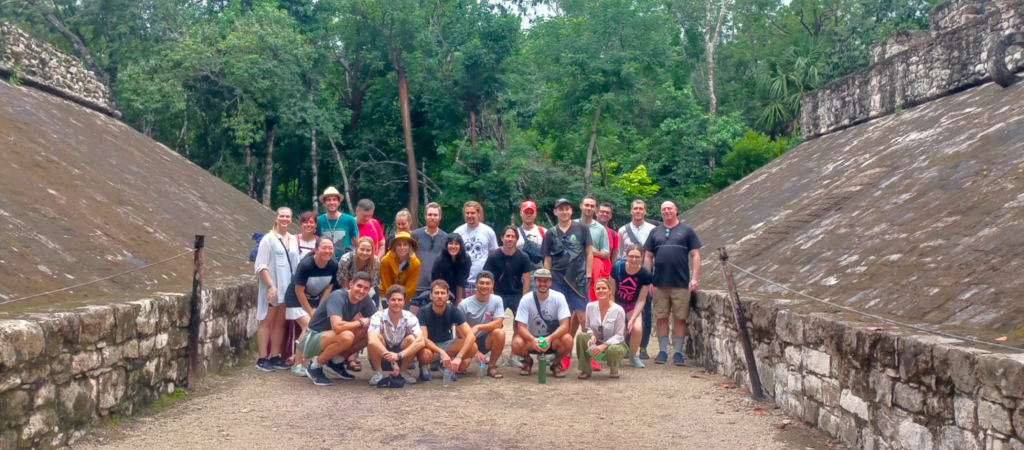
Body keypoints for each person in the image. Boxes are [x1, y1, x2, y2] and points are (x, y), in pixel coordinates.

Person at [644, 201, 702, 366]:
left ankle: (677, 353)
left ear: (676, 210)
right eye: (663, 209)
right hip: (659, 284)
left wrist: (694, 278)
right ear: (661, 212)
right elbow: (648, 257)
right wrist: (648, 280)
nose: (667, 211)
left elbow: (695, 255)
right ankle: (662, 352)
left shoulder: (687, 231)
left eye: (669, 208)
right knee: (661, 317)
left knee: (680, 318)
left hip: (681, 283)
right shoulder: (655, 232)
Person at [298, 272, 378, 385]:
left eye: (366, 288)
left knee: (369, 331)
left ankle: (335, 362)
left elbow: (378, 320)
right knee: (347, 336)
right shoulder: (338, 296)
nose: (362, 291)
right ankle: (315, 367)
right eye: (359, 286)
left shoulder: (364, 299)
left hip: (330, 338)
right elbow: (337, 326)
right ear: (351, 284)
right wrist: (360, 322)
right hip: (311, 340)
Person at [542, 198, 593, 372]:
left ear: (571, 211)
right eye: (560, 209)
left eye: (567, 209)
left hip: (579, 279)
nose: (564, 212)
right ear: (555, 212)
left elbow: (589, 252)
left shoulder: (582, 228)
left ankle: (590, 355)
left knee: (584, 320)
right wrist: (546, 279)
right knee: (559, 320)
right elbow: (547, 259)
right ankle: (562, 355)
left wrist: (588, 274)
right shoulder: (550, 233)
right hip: (557, 280)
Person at [283, 238, 340, 375]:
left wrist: (319, 309)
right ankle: (297, 365)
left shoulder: (333, 265)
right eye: (324, 248)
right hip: (296, 300)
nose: (327, 251)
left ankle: (306, 363)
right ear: (316, 249)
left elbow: (328, 288)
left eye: (330, 248)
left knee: (315, 328)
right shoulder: (306, 265)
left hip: (315, 301)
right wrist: (310, 311)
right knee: (309, 326)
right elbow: (298, 291)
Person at [253, 207, 294, 372]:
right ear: (276, 218)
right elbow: (261, 265)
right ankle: (262, 358)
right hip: (273, 287)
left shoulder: (292, 239)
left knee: (280, 323)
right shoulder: (268, 239)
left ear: (291, 219)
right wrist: (270, 285)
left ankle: (275, 355)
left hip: (287, 288)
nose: (285, 219)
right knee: (266, 321)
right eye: (282, 216)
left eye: (287, 216)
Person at [511, 269, 572, 378]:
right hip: (532, 340)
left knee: (568, 340)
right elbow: (521, 327)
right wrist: (533, 339)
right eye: (539, 280)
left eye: (546, 281)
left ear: (550, 282)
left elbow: (565, 326)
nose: (542, 284)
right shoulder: (526, 299)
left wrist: (549, 339)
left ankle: (556, 363)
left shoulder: (559, 297)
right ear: (534, 282)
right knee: (516, 343)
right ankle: (527, 361)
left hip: (552, 340)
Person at [416, 280, 478, 381]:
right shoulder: (423, 311)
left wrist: (459, 357)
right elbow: (424, 339)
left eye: (443, 293)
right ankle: (424, 367)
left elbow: (471, 335)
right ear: (431, 296)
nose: (440, 296)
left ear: (447, 296)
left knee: (473, 347)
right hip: (429, 347)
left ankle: (444, 365)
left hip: (446, 344)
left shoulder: (453, 310)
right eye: (436, 293)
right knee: (424, 354)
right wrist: (440, 352)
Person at [618, 199, 657, 360]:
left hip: (645, 273)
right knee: (624, 308)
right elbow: (621, 253)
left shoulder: (653, 230)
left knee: (645, 310)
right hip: (627, 274)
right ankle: (626, 344)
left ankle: (643, 346)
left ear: (645, 211)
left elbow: (653, 253)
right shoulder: (623, 231)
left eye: (641, 209)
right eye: (635, 208)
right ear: (631, 211)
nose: (638, 211)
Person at [367, 285, 425, 386]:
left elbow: (421, 341)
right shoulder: (377, 316)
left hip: (401, 356)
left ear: (404, 302)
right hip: (381, 355)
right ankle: (378, 372)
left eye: (400, 300)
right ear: (387, 301)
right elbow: (371, 340)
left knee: (412, 339)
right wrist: (392, 359)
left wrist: (398, 356)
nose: (397, 303)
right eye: (393, 300)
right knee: (377, 338)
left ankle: (402, 371)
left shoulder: (410, 317)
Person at [457, 271, 506, 379]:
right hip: (467, 340)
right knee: (462, 367)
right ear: (476, 283)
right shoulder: (464, 304)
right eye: (481, 283)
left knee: (500, 333)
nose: (484, 286)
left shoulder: (497, 300)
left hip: (484, 339)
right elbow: (459, 331)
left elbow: (499, 323)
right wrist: (475, 351)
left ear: (493, 284)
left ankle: (492, 366)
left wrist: (478, 326)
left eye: (488, 283)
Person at [576, 278, 628, 379]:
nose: (601, 291)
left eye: (604, 288)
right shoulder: (590, 306)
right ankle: (585, 369)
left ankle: (614, 368)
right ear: (594, 291)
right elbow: (588, 327)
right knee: (581, 336)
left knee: (613, 349)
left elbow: (619, 335)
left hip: (615, 345)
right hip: (597, 343)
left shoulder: (618, 310)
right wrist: (591, 335)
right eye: (598, 288)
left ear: (610, 291)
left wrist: (604, 346)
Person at [610, 245, 651, 368]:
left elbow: (641, 300)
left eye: (637, 257)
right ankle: (616, 355)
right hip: (616, 303)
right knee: (618, 328)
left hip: (633, 304)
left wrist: (632, 319)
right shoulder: (617, 268)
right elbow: (611, 293)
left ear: (642, 257)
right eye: (631, 256)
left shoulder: (646, 274)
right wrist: (617, 314)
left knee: (637, 329)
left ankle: (633, 356)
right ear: (626, 256)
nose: (634, 259)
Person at [483, 226, 531, 320]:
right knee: (495, 323)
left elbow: (527, 281)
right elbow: (487, 278)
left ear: (516, 239)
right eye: (507, 236)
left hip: (517, 294)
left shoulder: (523, 257)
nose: (510, 239)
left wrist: (524, 299)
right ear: (502, 238)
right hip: (498, 293)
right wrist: (492, 297)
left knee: (520, 322)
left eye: (513, 237)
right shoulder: (493, 257)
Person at [453, 201, 498, 298]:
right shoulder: (458, 232)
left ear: (479, 213)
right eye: (467, 213)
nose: (469, 215)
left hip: (483, 281)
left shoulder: (488, 231)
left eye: (472, 213)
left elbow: (494, 255)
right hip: (463, 282)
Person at [410, 202, 448, 311]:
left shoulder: (446, 237)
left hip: (436, 286)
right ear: (425, 216)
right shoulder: (415, 235)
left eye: (435, 215)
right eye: (430, 215)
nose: (432, 217)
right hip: (417, 286)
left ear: (440, 217)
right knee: (414, 321)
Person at [379, 231, 421, 308]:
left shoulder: (415, 263)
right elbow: (386, 283)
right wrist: (392, 299)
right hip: (387, 294)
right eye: (399, 245)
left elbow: (411, 285)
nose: (402, 248)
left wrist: (402, 299)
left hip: (406, 296)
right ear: (394, 246)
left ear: (410, 247)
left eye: (405, 245)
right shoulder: (386, 260)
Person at [316, 187, 358, 260]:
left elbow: (357, 244)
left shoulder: (350, 220)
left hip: (346, 262)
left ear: (339, 202)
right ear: (324, 203)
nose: (332, 202)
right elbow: (316, 243)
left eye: (334, 199)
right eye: (328, 200)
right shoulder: (319, 221)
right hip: (325, 261)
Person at [338, 236, 382, 306]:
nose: (364, 253)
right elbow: (344, 283)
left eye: (368, 250)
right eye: (362, 249)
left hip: (368, 288)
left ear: (372, 251)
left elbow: (373, 284)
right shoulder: (346, 260)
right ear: (356, 248)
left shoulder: (375, 261)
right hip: (349, 287)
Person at [431, 234, 471, 307]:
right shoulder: (439, 260)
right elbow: (436, 281)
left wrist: (458, 301)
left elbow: (461, 281)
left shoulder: (465, 259)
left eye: (456, 244)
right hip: (441, 290)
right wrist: (444, 298)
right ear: (446, 245)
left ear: (460, 246)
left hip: (459, 291)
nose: (453, 246)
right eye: (451, 243)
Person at [515, 200, 546, 272]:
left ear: (535, 214)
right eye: (526, 212)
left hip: (539, 273)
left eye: (531, 213)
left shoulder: (543, 232)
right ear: (520, 213)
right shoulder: (515, 233)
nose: (528, 215)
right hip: (520, 272)